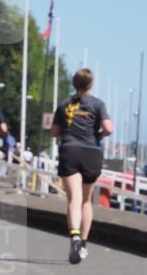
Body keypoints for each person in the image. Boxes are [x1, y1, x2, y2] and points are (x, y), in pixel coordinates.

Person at [49, 68, 114, 264]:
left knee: (73, 199)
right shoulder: (97, 104)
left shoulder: (63, 104)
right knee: (86, 201)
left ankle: (74, 235)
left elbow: (53, 132)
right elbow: (109, 128)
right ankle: (83, 244)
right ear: (90, 84)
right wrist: (97, 136)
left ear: (74, 83)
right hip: (91, 152)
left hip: (70, 151)